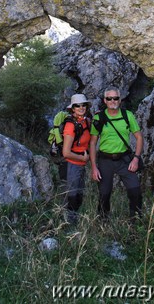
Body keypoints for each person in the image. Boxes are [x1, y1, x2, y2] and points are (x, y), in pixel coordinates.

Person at [89, 87, 143, 223]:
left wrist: (135, 159)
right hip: (105, 160)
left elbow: (139, 137)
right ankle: (103, 222)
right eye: (109, 98)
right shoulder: (98, 117)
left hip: (124, 159)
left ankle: (136, 222)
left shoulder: (127, 115)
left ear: (120, 100)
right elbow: (92, 142)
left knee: (135, 190)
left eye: (115, 98)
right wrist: (94, 167)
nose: (113, 101)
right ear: (105, 101)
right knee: (104, 194)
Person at [62, 93, 92, 224]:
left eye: (83, 105)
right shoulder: (70, 126)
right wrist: (83, 157)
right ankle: (69, 223)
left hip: (81, 164)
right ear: (72, 109)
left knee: (79, 193)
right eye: (77, 106)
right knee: (73, 195)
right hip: (73, 164)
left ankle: (74, 219)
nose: (81, 108)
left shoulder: (85, 121)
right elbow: (66, 153)